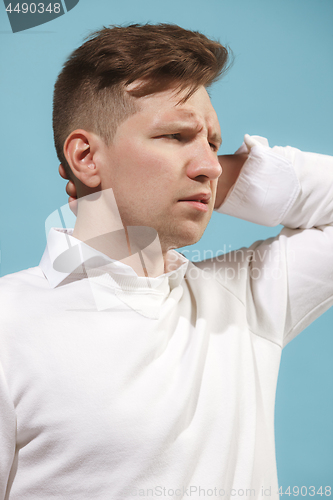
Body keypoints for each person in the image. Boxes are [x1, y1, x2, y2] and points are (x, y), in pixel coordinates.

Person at [0, 23, 332, 500]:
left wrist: (201, 180)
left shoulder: (247, 298)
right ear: (85, 155)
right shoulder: (8, 326)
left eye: (214, 144)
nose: (211, 164)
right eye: (176, 135)